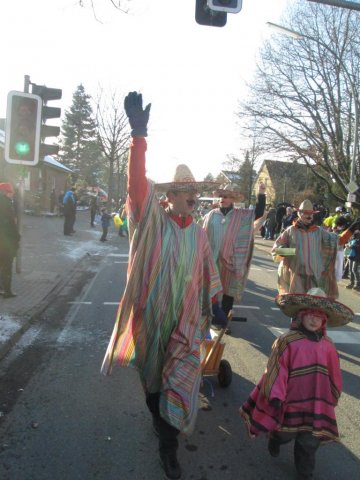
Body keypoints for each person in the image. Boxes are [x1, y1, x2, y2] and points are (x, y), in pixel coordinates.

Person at [101, 92, 221, 480]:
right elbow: (137, 188)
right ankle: (158, 417)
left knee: (180, 380)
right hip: (150, 318)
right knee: (154, 382)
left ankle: (169, 448)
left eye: (194, 192)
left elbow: (206, 273)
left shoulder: (199, 234)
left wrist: (212, 305)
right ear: (170, 197)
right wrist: (139, 137)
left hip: (184, 325)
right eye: (186, 192)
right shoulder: (152, 221)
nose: (193, 197)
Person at [240, 288, 354, 480]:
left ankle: (304, 472)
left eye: (319, 315)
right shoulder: (287, 341)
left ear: (325, 320)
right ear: (300, 315)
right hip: (289, 400)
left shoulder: (328, 345)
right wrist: (276, 395)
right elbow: (277, 368)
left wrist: (333, 394)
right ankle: (275, 440)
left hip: (316, 402)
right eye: (309, 313)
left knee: (309, 441)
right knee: (285, 433)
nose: (314, 319)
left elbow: (334, 373)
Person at [202, 182, 266, 330]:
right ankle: (209, 317)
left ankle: (222, 322)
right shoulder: (212, 215)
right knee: (211, 290)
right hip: (212, 259)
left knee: (228, 292)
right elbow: (203, 235)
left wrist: (261, 194)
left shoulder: (241, 215)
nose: (222, 199)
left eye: (225, 196)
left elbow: (259, 213)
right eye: (221, 196)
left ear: (232, 199)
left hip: (231, 260)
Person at [272, 199, 360, 299]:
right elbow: (275, 252)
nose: (309, 216)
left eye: (311, 213)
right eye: (306, 213)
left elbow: (338, 241)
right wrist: (289, 251)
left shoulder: (319, 232)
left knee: (312, 309)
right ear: (299, 213)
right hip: (296, 279)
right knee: (297, 307)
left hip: (315, 280)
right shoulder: (290, 231)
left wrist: (351, 229)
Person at [0, 183, 20, 298]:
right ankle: (7, 292)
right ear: (5, 192)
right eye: (11, 192)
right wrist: (17, 237)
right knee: (7, 266)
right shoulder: (6, 204)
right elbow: (11, 225)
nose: (12, 194)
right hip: (5, 242)